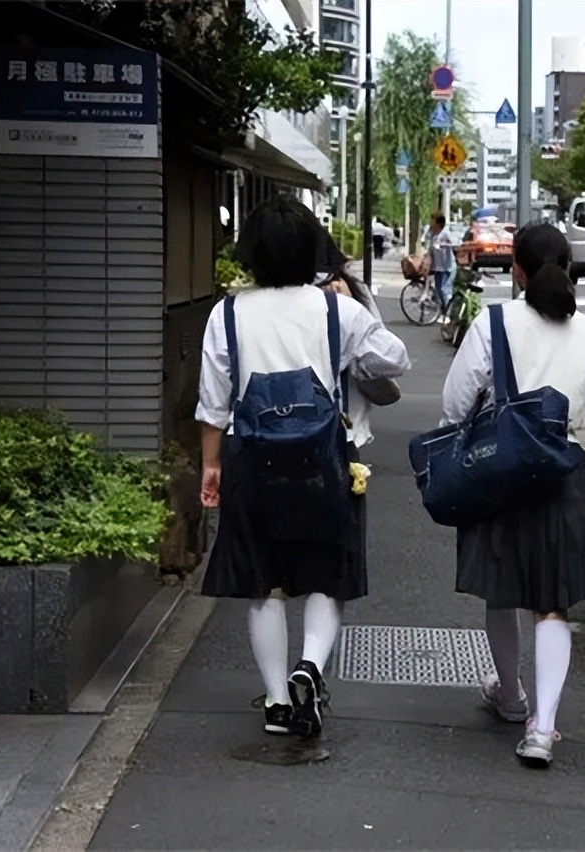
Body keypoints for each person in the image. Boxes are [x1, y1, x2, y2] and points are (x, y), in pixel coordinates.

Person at [196, 196, 410, 738]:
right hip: (328, 459)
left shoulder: (227, 313)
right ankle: (309, 668)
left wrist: (210, 467)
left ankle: (274, 703)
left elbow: (212, 403)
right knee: (325, 575)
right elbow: (395, 360)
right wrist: (348, 345)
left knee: (264, 583)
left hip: (252, 459)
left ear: (252, 255)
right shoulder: (338, 309)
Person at [439, 223, 585, 769]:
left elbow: (454, 405)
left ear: (517, 272)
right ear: (570, 269)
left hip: (501, 474)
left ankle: (510, 695)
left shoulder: (493, 323)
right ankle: (543, 727)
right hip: (566, 475)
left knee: (501, 591)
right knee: (551, 604)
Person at [426, 213, 456, 311]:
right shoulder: (433, 234)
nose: (431, 223)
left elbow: (455, 244)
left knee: (443, 289)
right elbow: (430, 247)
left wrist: (445, 245)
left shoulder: (445, 233)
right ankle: (442, 310)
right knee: (437, 290)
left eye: (433, 221)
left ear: (439, 223)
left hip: (446, 266)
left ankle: (447, 310)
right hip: (436, 267)